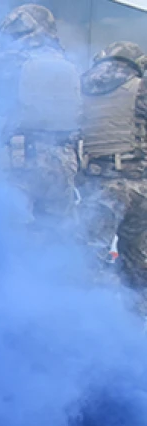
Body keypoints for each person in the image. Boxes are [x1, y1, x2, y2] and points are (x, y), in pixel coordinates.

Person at [0, 4, 82, 230]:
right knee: (55, 233)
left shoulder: (6, 60)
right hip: (63, 160)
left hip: (20, 159)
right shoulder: (68, 63)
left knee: (10, 233)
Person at [79, 42, 147, 316]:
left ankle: (88, 323)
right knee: (138, 262)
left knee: (87, 260)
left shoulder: (82, 86)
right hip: (142, 188)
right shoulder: (140, 88)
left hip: (101, 187)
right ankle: (137, 327)